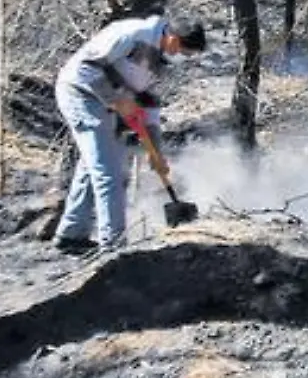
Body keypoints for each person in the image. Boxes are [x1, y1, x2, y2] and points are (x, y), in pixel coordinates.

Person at [52, 14, 207, 254]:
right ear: (174, 40)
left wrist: (156, 152)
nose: (183, 59)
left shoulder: (162, 59)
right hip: (80, 94)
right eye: (185, 53)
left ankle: (72, 234)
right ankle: (113, 247)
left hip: (111, 101)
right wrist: (116, 100)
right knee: (110, 172)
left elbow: (149, 104)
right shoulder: (132, 36)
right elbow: (85, 68)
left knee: (92, 166)